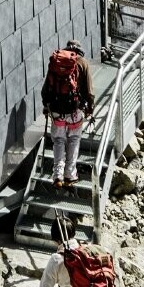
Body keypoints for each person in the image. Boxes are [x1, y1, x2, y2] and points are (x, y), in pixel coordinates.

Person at [41, 39, 94, 188]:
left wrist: (47, 106)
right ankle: (70, 175)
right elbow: (90, 92)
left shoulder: (56, 62)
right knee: (74, 140)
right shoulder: (83, 63)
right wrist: (90, 108)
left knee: (58, 141)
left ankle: (57, 175)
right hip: (75, 111)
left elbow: (46, 89)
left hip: (57, 110)